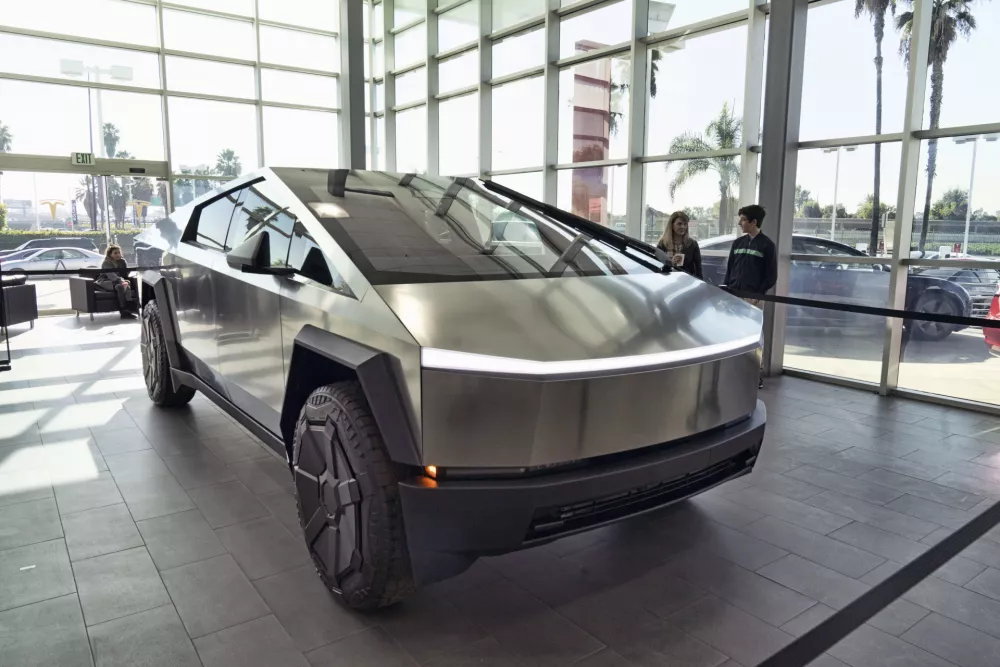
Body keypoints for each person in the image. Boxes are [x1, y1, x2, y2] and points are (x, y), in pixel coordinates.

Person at [723, 204, 777, 388]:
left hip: (753, 299)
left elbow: (771, 275)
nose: (740, 223)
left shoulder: (767, 245)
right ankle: (732, 372)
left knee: (753, 338)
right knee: (732, 334)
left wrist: (757, 296)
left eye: (743, 219)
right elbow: (730, 269)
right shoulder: (737, 243)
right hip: (734, 297)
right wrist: (727, 291)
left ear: (754, 222)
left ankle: (755, 375)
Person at [656, 211, 703, 279]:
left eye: (685, 224)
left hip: (687, 282)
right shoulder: (663, 243)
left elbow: (699, 269)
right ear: (672, 225)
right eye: (679, 224)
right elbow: (657, 267)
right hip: (667, 282)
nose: (683, 227)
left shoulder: (692, 244)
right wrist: (670, 263)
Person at [96, 244, 136, 320]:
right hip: (105, 281)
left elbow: (125, 274)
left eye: (119, 253)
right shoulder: (106, 263)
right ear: (110, 254)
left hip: (118, 281)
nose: (118, 255)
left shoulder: (121, 261)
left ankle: (128, 307)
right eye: (115, 253)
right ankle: (124, 310)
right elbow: (111, 276)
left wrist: (125, 266)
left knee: (122, 285)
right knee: (121, 285)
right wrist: (122, 281)